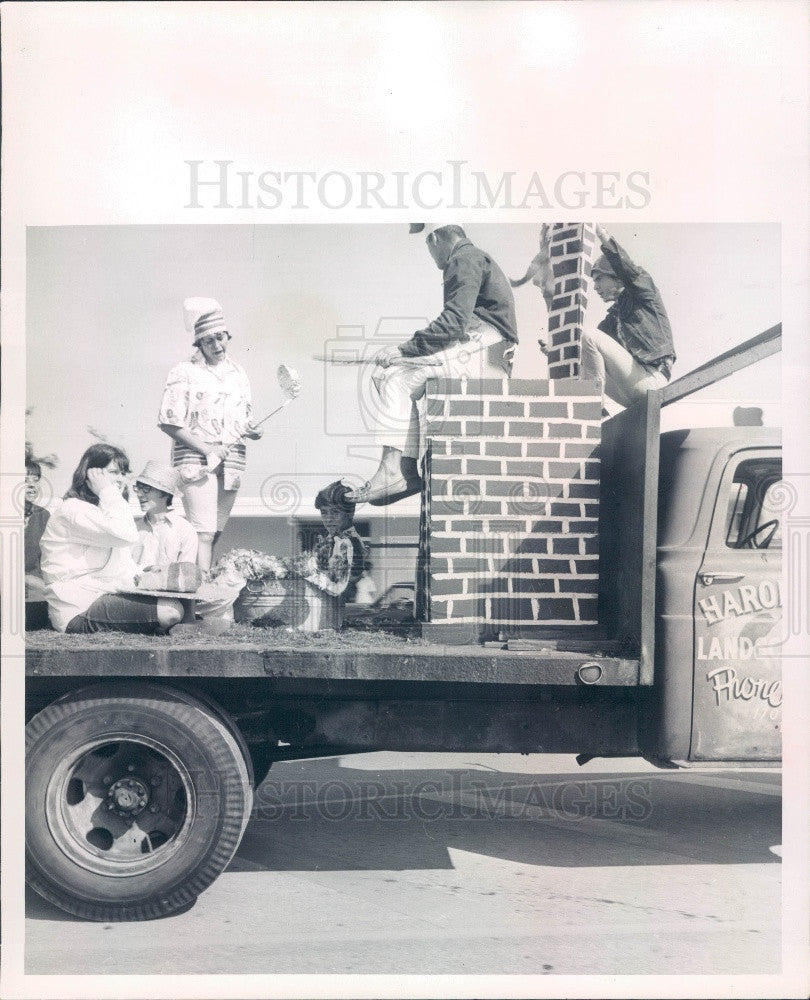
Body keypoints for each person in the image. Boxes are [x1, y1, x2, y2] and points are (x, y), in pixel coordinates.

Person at [347, 225, 518, 506]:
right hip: (485, 352)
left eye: (428, 246)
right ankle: (404, 470)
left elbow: (453, 323)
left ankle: (395, 471)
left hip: (487, 353)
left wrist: (402, 350)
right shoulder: (474, 257)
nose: (431, 254)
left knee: (393, 378)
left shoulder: (462, 258)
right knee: (387, 376)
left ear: (434, 238)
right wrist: (406, 353)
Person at [158, 297, 264, 571]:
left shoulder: (239, 373)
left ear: (228, 336)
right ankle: (199, 598)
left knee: (214, 532)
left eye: (220, 337)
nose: (217, 346)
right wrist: (208, 449)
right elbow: (168, 422)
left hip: (232, 461)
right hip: (197, 460)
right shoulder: (184, 371)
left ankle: (197, 589)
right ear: (199, 344)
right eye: (208, 341)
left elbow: (245, 419)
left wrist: (254, 430)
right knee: (202, 532)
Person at [39, 444, 184, 634]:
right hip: (78, 609)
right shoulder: (72, 510)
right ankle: (167, 627)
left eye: (123, 473)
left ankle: (172, 627)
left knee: (179, 600)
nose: (120, 480)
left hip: (105, 597)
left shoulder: (104, 511)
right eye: (113, 472)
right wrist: (107, 492)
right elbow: (126, 535)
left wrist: (146, 572)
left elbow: (123, 568)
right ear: (90, 474)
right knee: (170, 610)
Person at [132, 459, 244, 626]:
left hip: (170, 601)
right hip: (134, 598)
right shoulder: (132, 529)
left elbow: (187, 582)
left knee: (225, 594)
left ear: (164, 493)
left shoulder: (184, 530)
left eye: (146, 489)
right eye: (138, 488)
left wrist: (188, 620)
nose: (140, 494)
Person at [580, 224, 676, 408]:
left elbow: (625, 266)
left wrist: (601, 233)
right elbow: (588, 350)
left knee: (589, 335)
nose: (596, 287)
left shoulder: (643, 292)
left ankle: (590, 408)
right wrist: (552, 352)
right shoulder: (614, 318)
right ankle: (595, 412)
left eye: (599, 279)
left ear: (617, 277)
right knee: (583, 357)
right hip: (633, 391)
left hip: (653, 381)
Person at [311, 481, 367, 592]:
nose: (328, 519)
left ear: (350, 513)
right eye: (324, 512)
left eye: (335, 512)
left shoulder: (351, 542)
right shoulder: (332, 538)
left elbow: (348, 581)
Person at [24, 457, 51, 627]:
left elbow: (48, 563)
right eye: (24, 480)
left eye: (36, 479)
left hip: (36, 596)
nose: (32, 485)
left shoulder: (44, 516)